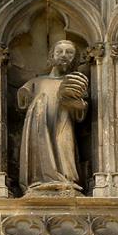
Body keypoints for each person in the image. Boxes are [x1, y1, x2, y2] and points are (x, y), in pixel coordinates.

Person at [18, 39, 88, 194]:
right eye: (59, 52)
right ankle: (41, 179)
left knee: (64, 145)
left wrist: (74, 101)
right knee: (40, 147)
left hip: (63, 122)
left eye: (69, 53)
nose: (64, 55)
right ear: (51, 56)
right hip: (39, 124)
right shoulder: (37, 82)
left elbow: (80, 112)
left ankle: (66, 179)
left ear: (75, 59)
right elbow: (23, 100)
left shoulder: (74, 84)